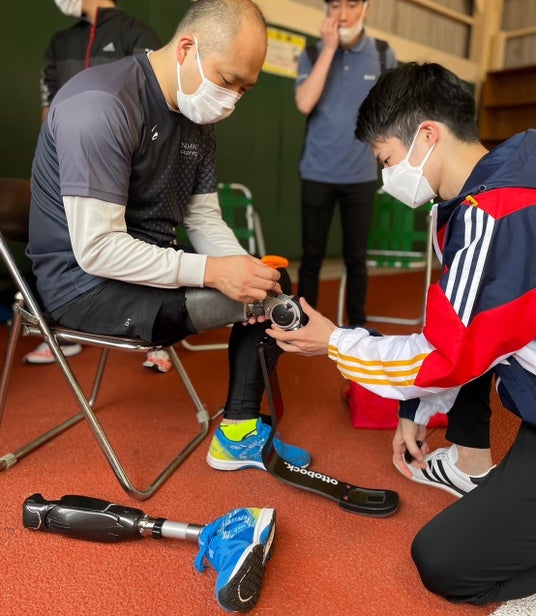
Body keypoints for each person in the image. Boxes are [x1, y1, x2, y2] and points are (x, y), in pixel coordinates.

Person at [268, 61, 536, 605]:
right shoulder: (498, 177)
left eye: (387, 159)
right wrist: (417, 407)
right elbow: (470, 326)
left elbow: (445, 357)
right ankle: (470, 464)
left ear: (427, 135)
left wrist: (333, 341)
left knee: (445, 564)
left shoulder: (489, 213)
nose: (386, 176)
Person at [28, 0, 311, 482]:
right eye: (228, 81)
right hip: (84, 285)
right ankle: (240, 435)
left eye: (245, 89)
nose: (232, 100)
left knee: (268, 283)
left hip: (149, 266)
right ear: (186, 49)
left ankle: (238, 431)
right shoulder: (100, 105)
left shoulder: (198, 114)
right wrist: (216, 272)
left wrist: (243, 269)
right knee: (255, 297)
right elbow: (97, 250)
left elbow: (202, 218)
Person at [25, 0, 162, 366]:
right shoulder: (60, 43)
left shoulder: (136, 33)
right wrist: (49, 163)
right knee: (54, 237)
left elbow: (153, 104)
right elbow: (48, 110)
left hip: (123, 167)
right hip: (67, 166)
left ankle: (155, 336)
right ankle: (56, 331)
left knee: (138, 230)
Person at [295, 0, 396, 327]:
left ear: (366, 8)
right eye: (335, 5)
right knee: (311, 258)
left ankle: (358, 327)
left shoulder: (383, 54)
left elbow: (392, 114)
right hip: (317, 172)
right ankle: (304, 322)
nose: (343, 14)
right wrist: (329, 49)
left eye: (352, 5)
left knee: (356, 259)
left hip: (361, 175)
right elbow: (304, 103)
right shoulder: (312, 53)